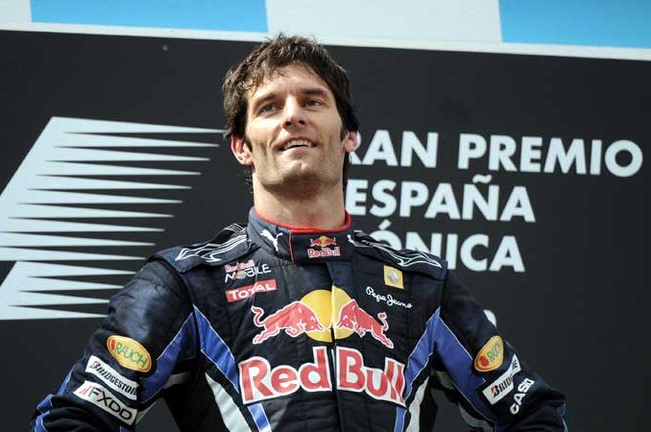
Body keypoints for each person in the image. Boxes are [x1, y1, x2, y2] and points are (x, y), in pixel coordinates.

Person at [31, 35, 567, 432]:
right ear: (242, 146)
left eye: (312, 101)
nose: (292, 116)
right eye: (269, 107)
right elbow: (75, 419)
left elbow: (532, 413)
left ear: (349, 134)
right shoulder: (187, 284)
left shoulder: (422, 287)